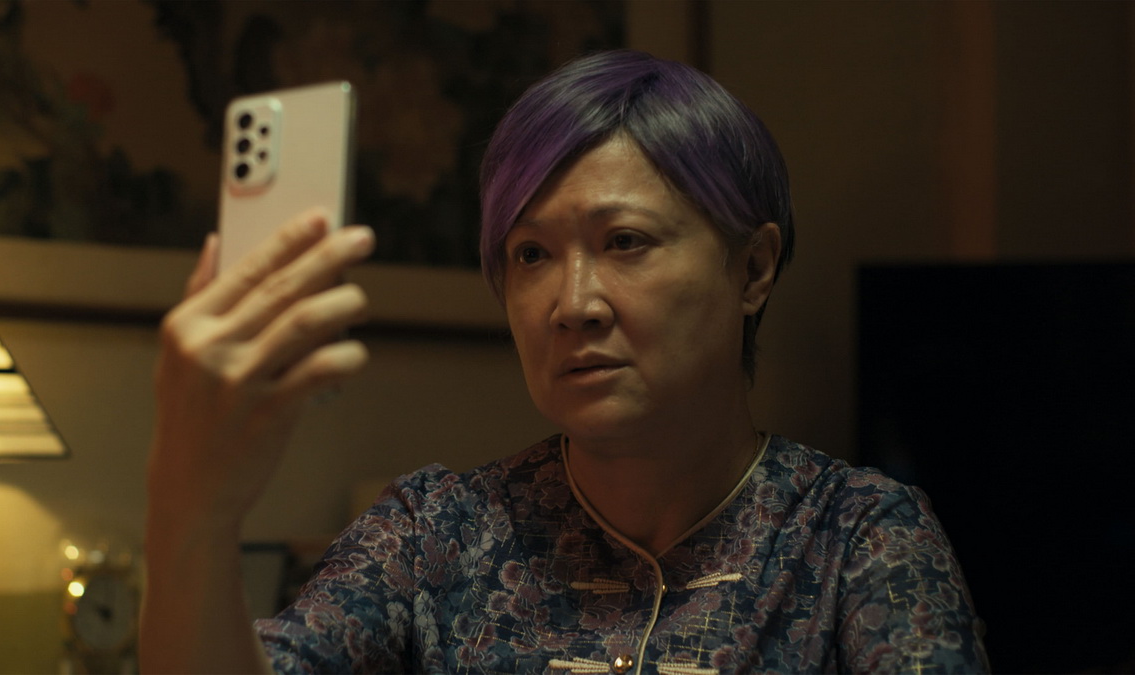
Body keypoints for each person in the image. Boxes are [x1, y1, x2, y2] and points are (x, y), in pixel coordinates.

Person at [140, 50, 988, 674]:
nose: (572, 302)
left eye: (625, 242)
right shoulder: (434, 533)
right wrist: (192, 505)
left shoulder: (855, 536)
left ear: (754, 268)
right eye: (532, 254)